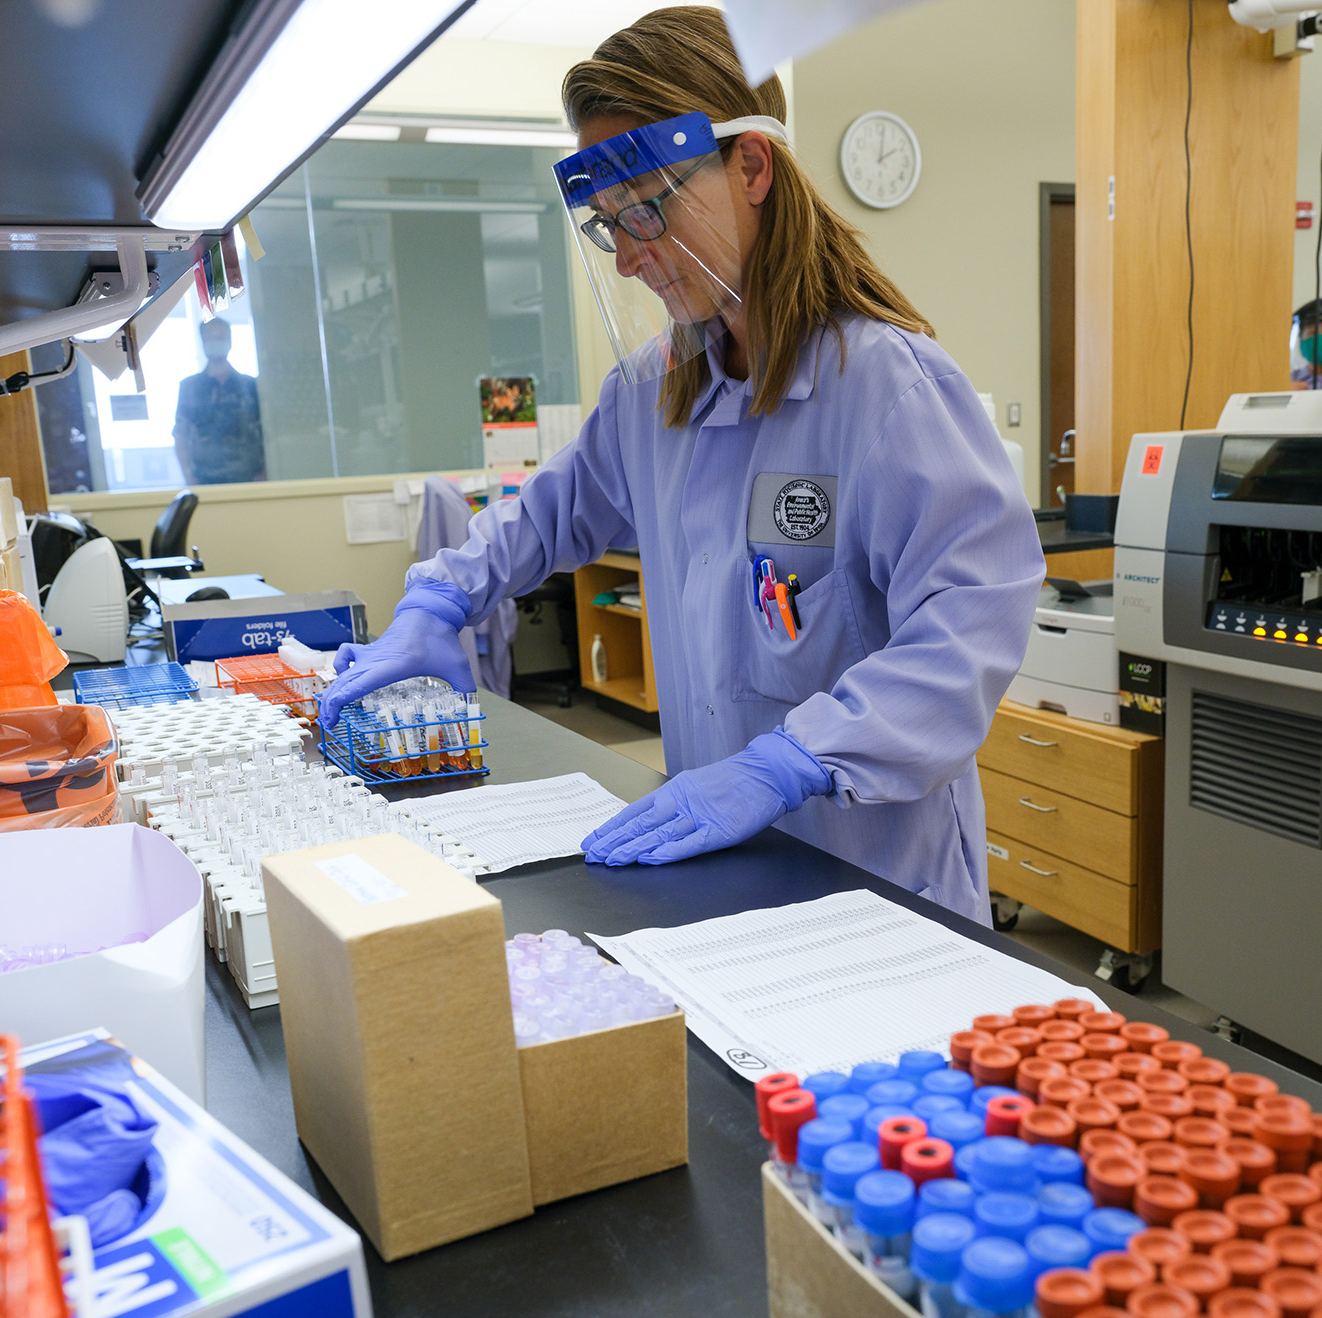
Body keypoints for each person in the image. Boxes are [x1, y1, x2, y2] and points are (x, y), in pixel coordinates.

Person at [317, 6, 1043, 923]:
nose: (628, 258)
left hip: (877, 887)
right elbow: (544, 514)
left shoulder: (888, 390)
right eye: (608, 224)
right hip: (721, 872)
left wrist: (795, 760)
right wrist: (438, 600)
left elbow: (972, 625)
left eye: (648, 209)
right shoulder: (653, 391)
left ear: (751, 167)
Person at [173, 318, 267, 484]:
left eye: (221, 337)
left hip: (248, 479)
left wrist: (265, 472)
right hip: (205, 480)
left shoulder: (250, 386)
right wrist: (189, 477)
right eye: (210, 337)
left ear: (230, 341)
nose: (215, 342)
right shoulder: (190, 387)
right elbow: (180, 435)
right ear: (203, 342)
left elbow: (267, 430)